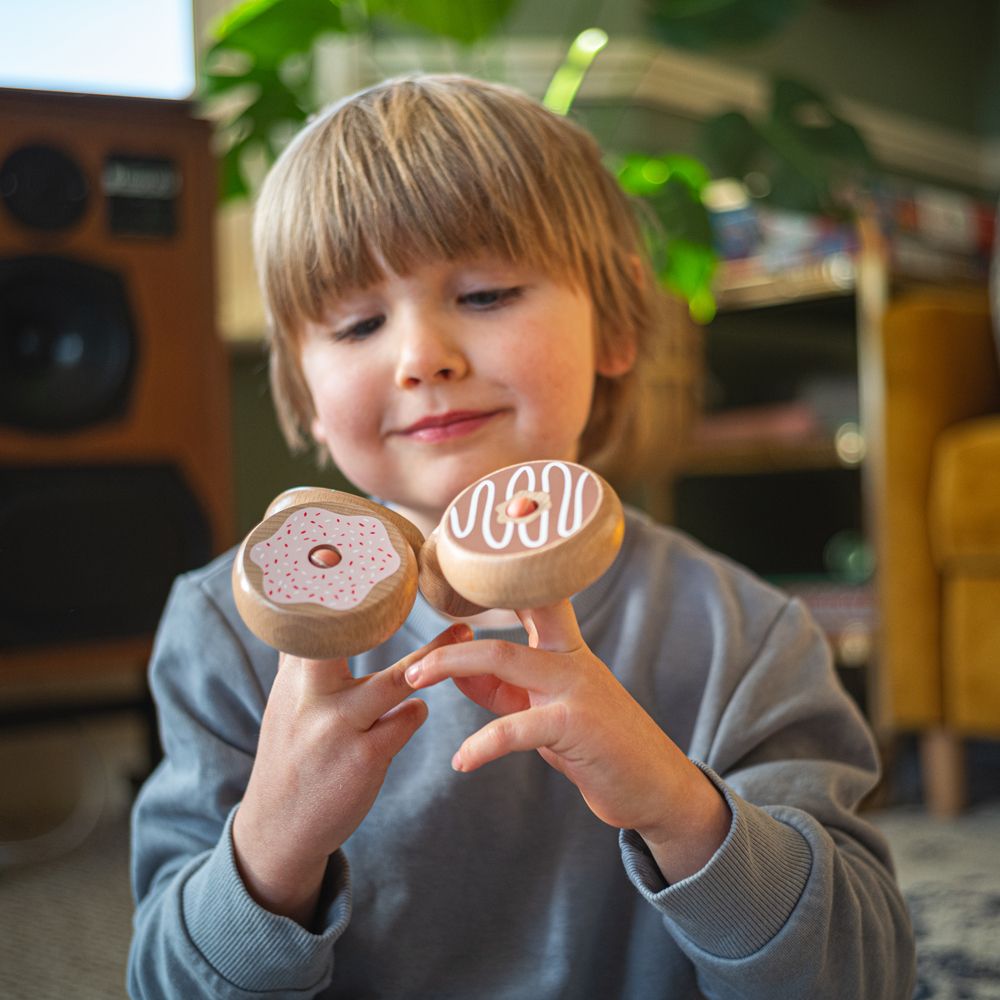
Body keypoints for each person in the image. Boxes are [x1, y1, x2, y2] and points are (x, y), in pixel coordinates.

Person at [128, 73, 915, 999]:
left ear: (618, 322)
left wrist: (682, 811)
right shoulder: (223, 629)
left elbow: (862, 976)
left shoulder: (744, 636)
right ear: (302, 393)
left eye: (490, 293)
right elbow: (164, 984)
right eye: (359, 322)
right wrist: (271, 845)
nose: (423, 356)